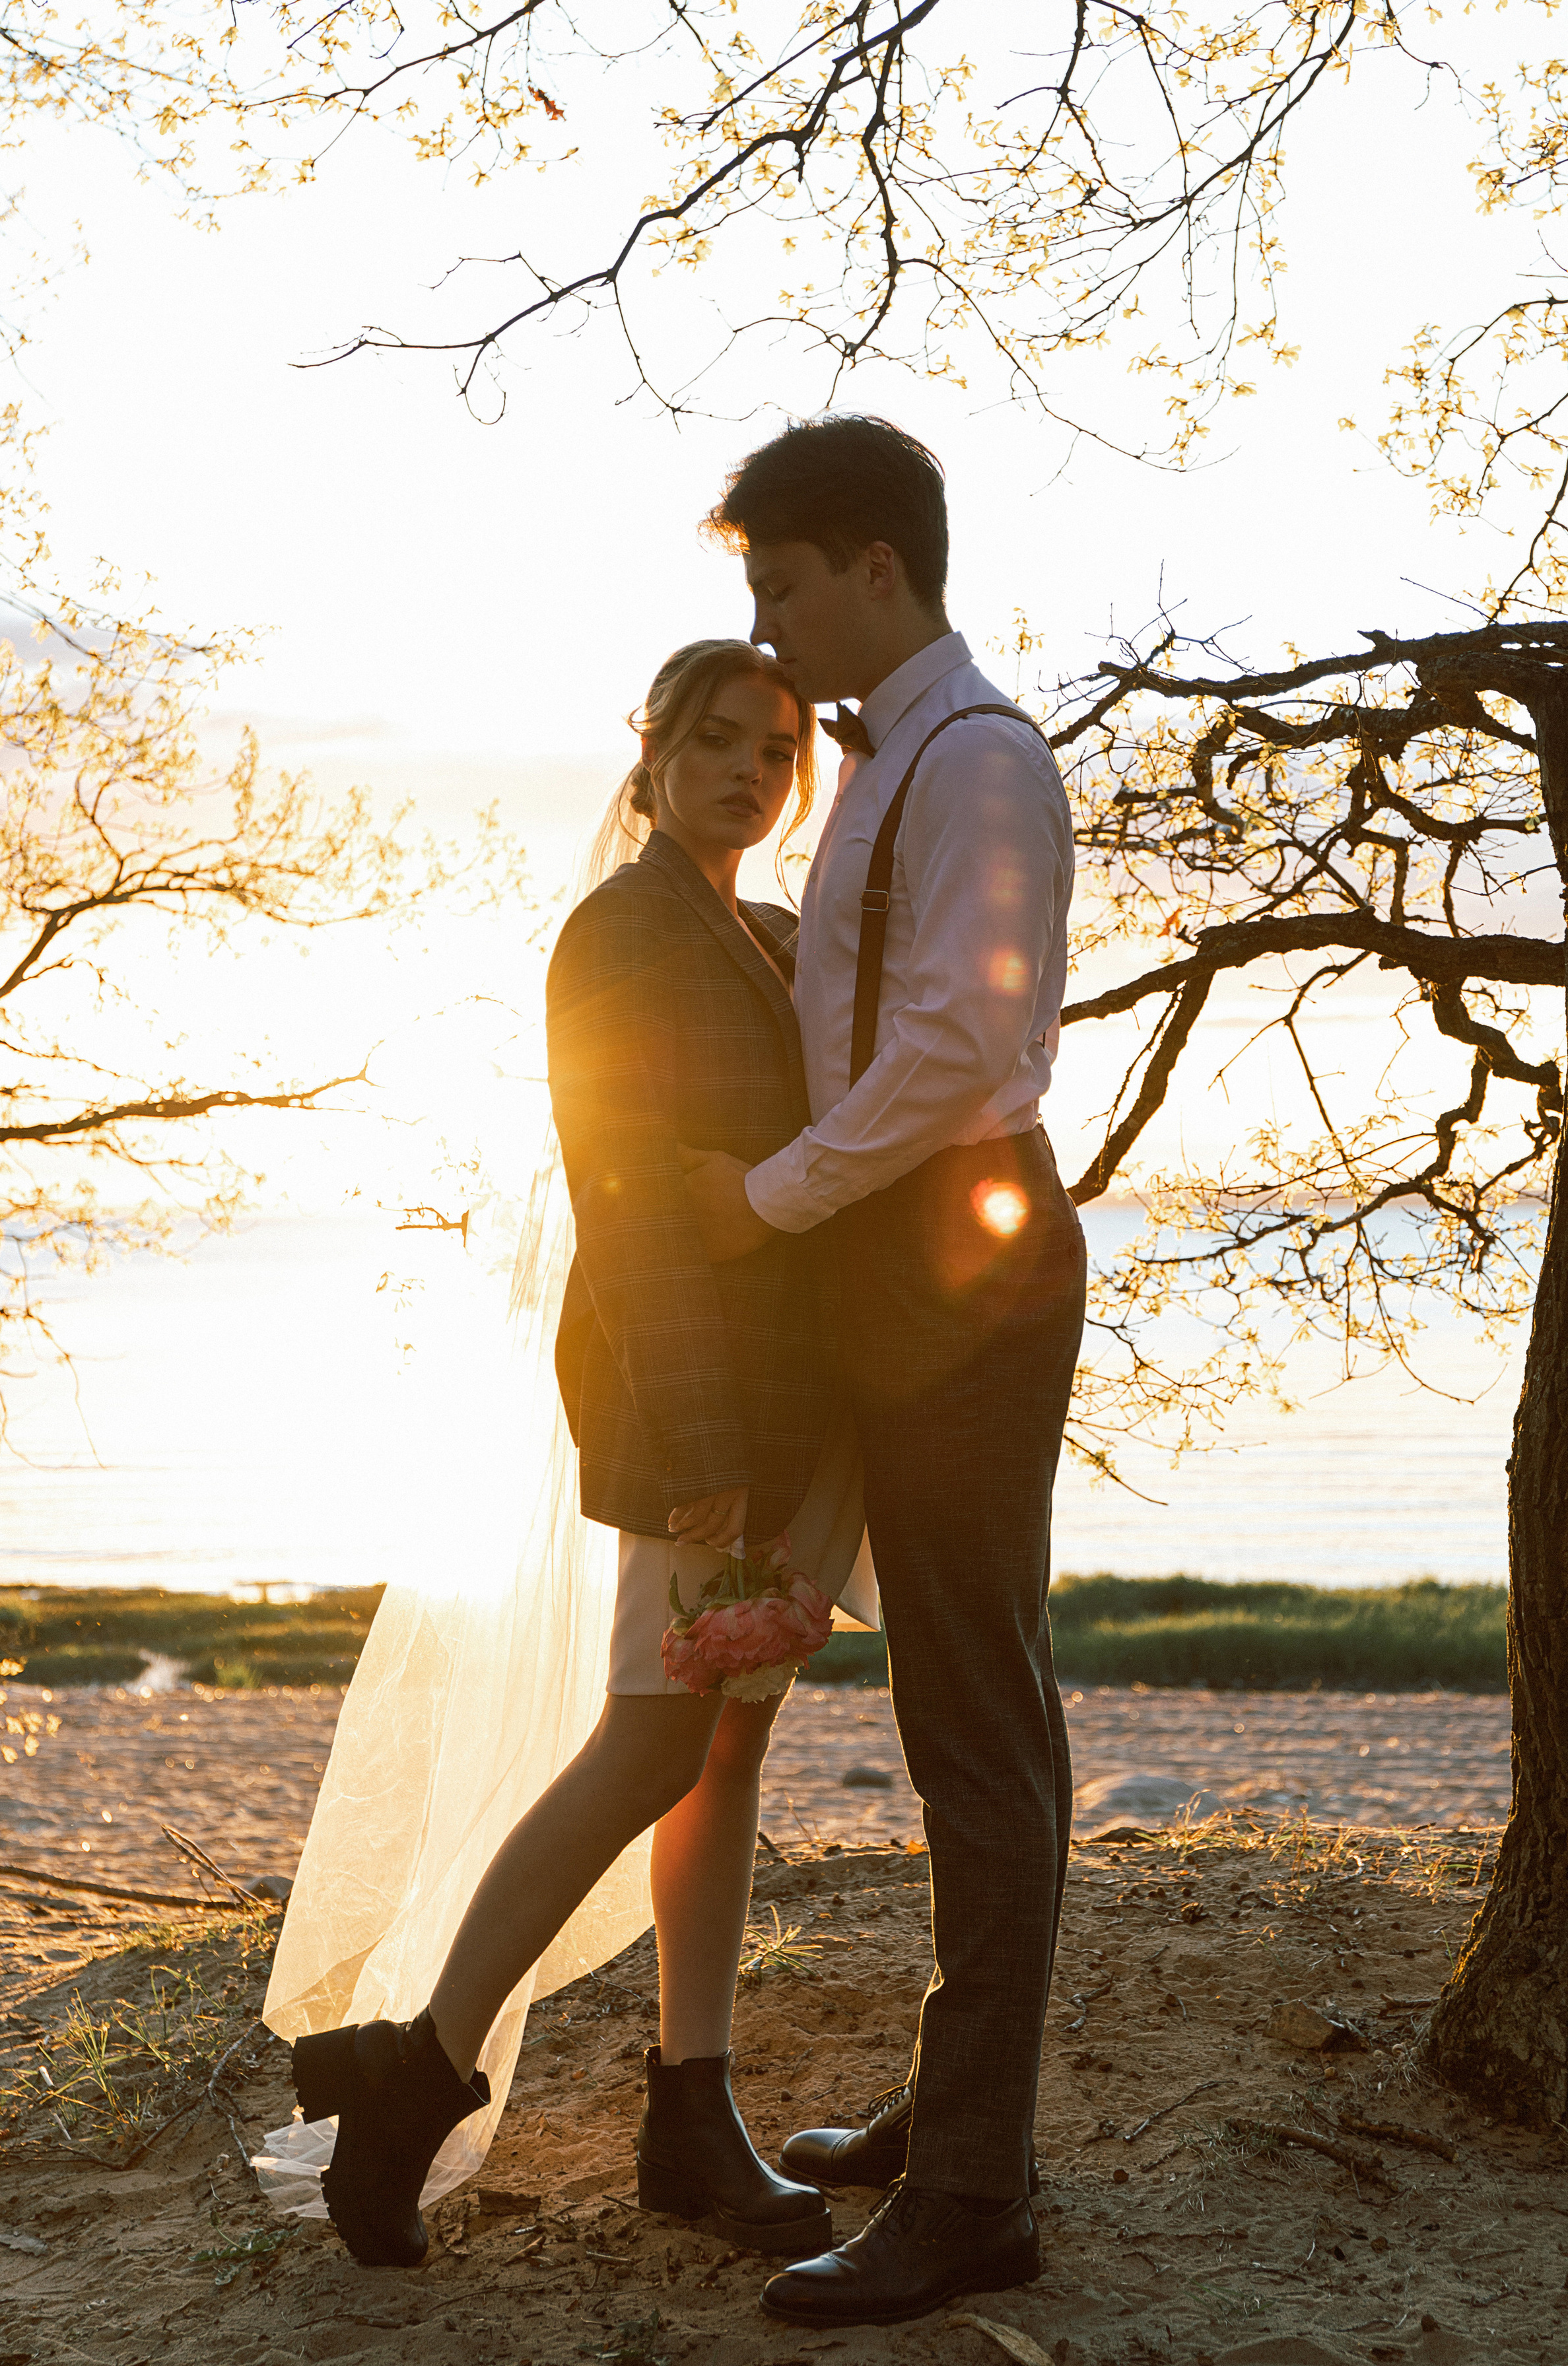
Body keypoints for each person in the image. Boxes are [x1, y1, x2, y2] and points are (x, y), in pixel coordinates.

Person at [280, 638, 874, 2273]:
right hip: (701, 1411)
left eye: (776, 751)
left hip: (799, 1401)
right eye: (718, 741)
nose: (750, 771)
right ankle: (415, 2074)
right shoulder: (619, 934)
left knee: (724, 1751)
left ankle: (692, 2108)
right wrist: (695, 1441)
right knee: (641, 1748)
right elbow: (620, 1195)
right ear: (654, 751)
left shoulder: (761, 931)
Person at [680, 417, 1086, 2328]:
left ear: (871, 567)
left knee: (978, 1718)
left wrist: (772, 1198)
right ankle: (954, 2111)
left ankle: (979, 2188)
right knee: (951, 1692)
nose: (759, 626)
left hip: (961, 1251)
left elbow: (956, 1041)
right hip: (901, 1252)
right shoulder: (891, 765)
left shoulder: (980, 759)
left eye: (775, 583)